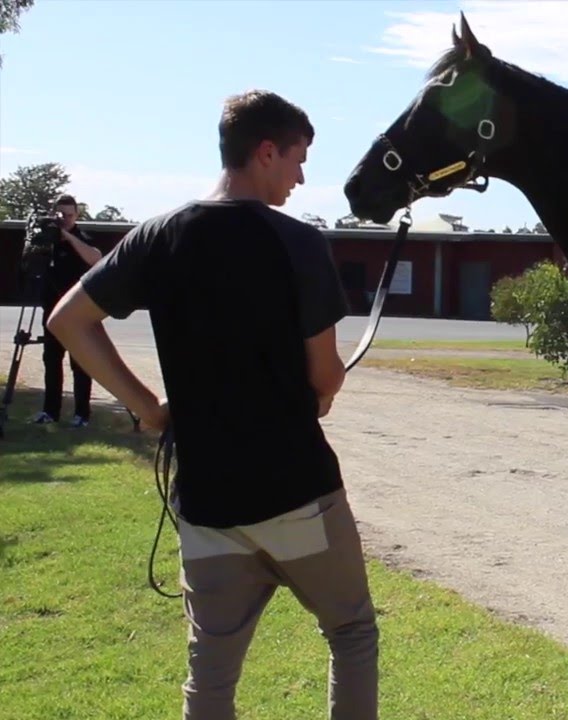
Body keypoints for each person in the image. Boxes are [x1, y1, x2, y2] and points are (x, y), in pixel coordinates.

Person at [46, 89, 379, 720]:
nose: (301, 177)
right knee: (352, 632)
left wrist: (146, 407)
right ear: (264, 151)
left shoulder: (158, 234)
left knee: (212, 670)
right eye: (298, 160)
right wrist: (323, 392)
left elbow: (70, 321)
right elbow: (325, 375)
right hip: (296, 490)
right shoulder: (299, 242)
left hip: (206, 499)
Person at [32, 194, 103, 427]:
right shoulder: (46, 241)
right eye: (60, 215)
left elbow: (96, 259)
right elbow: (28, 263)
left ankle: (82, 414)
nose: (64, 219)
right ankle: (50, 411)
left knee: (80, 363)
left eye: (69, 215)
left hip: (77, 313)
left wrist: (67, 237)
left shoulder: (81, 238)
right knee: (52, 362)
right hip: (51, 311)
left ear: (77, 215)